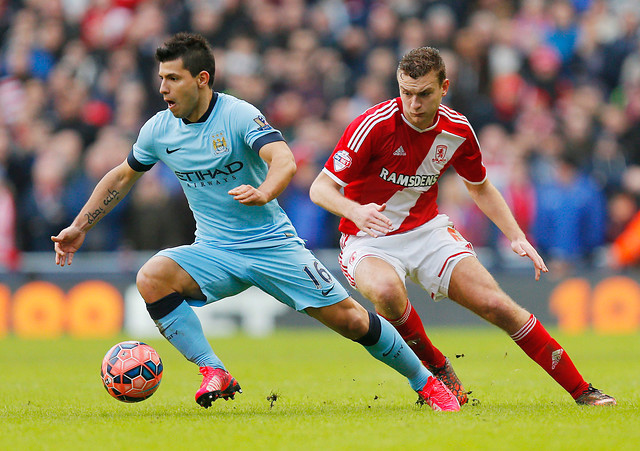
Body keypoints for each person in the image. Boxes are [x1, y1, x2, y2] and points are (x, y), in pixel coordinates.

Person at [51, 33, 460, 411]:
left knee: (353, 320)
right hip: (214, 249)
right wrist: (80, 226)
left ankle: (426, 382)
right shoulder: (159, 129)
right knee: (152, 277)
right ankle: (214, 370)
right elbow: (123, 176)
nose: (163, 88)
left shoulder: (239, 116)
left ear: (202, 79)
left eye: (173, 78)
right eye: (161, 78)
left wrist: (265, 191)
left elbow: (283, 158)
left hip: (271, 245)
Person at [309, 46, 616, 406]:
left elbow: (479, 185)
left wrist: (516, 236)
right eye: (406, 93)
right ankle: (437, 368)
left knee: (497, 306)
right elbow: (320, 188)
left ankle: (583, 391)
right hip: (368, 237)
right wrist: (356, 211)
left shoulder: (457, 129)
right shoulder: (372, 125)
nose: (413, 103)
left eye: (424, 94)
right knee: (387, 293)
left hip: (426, 232)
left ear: (444, 87)